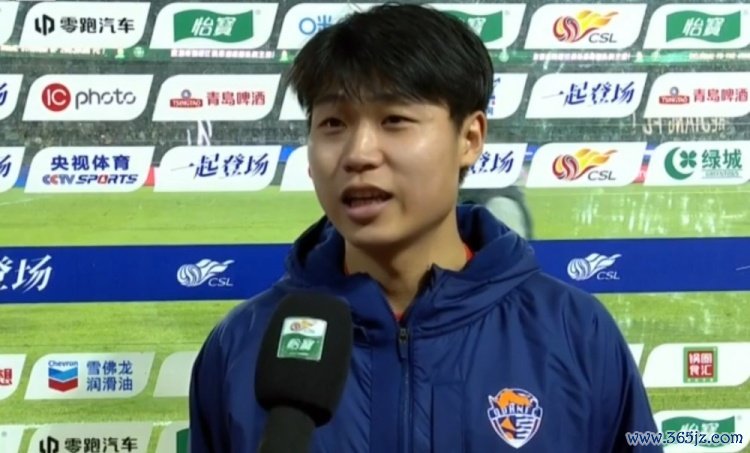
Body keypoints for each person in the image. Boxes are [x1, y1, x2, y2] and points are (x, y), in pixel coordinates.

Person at [189, 3, 662, 452]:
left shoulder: (576, 332)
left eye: (394, 120)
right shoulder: (241, 343)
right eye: (332, 123)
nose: (359, 153)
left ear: (470, 138)